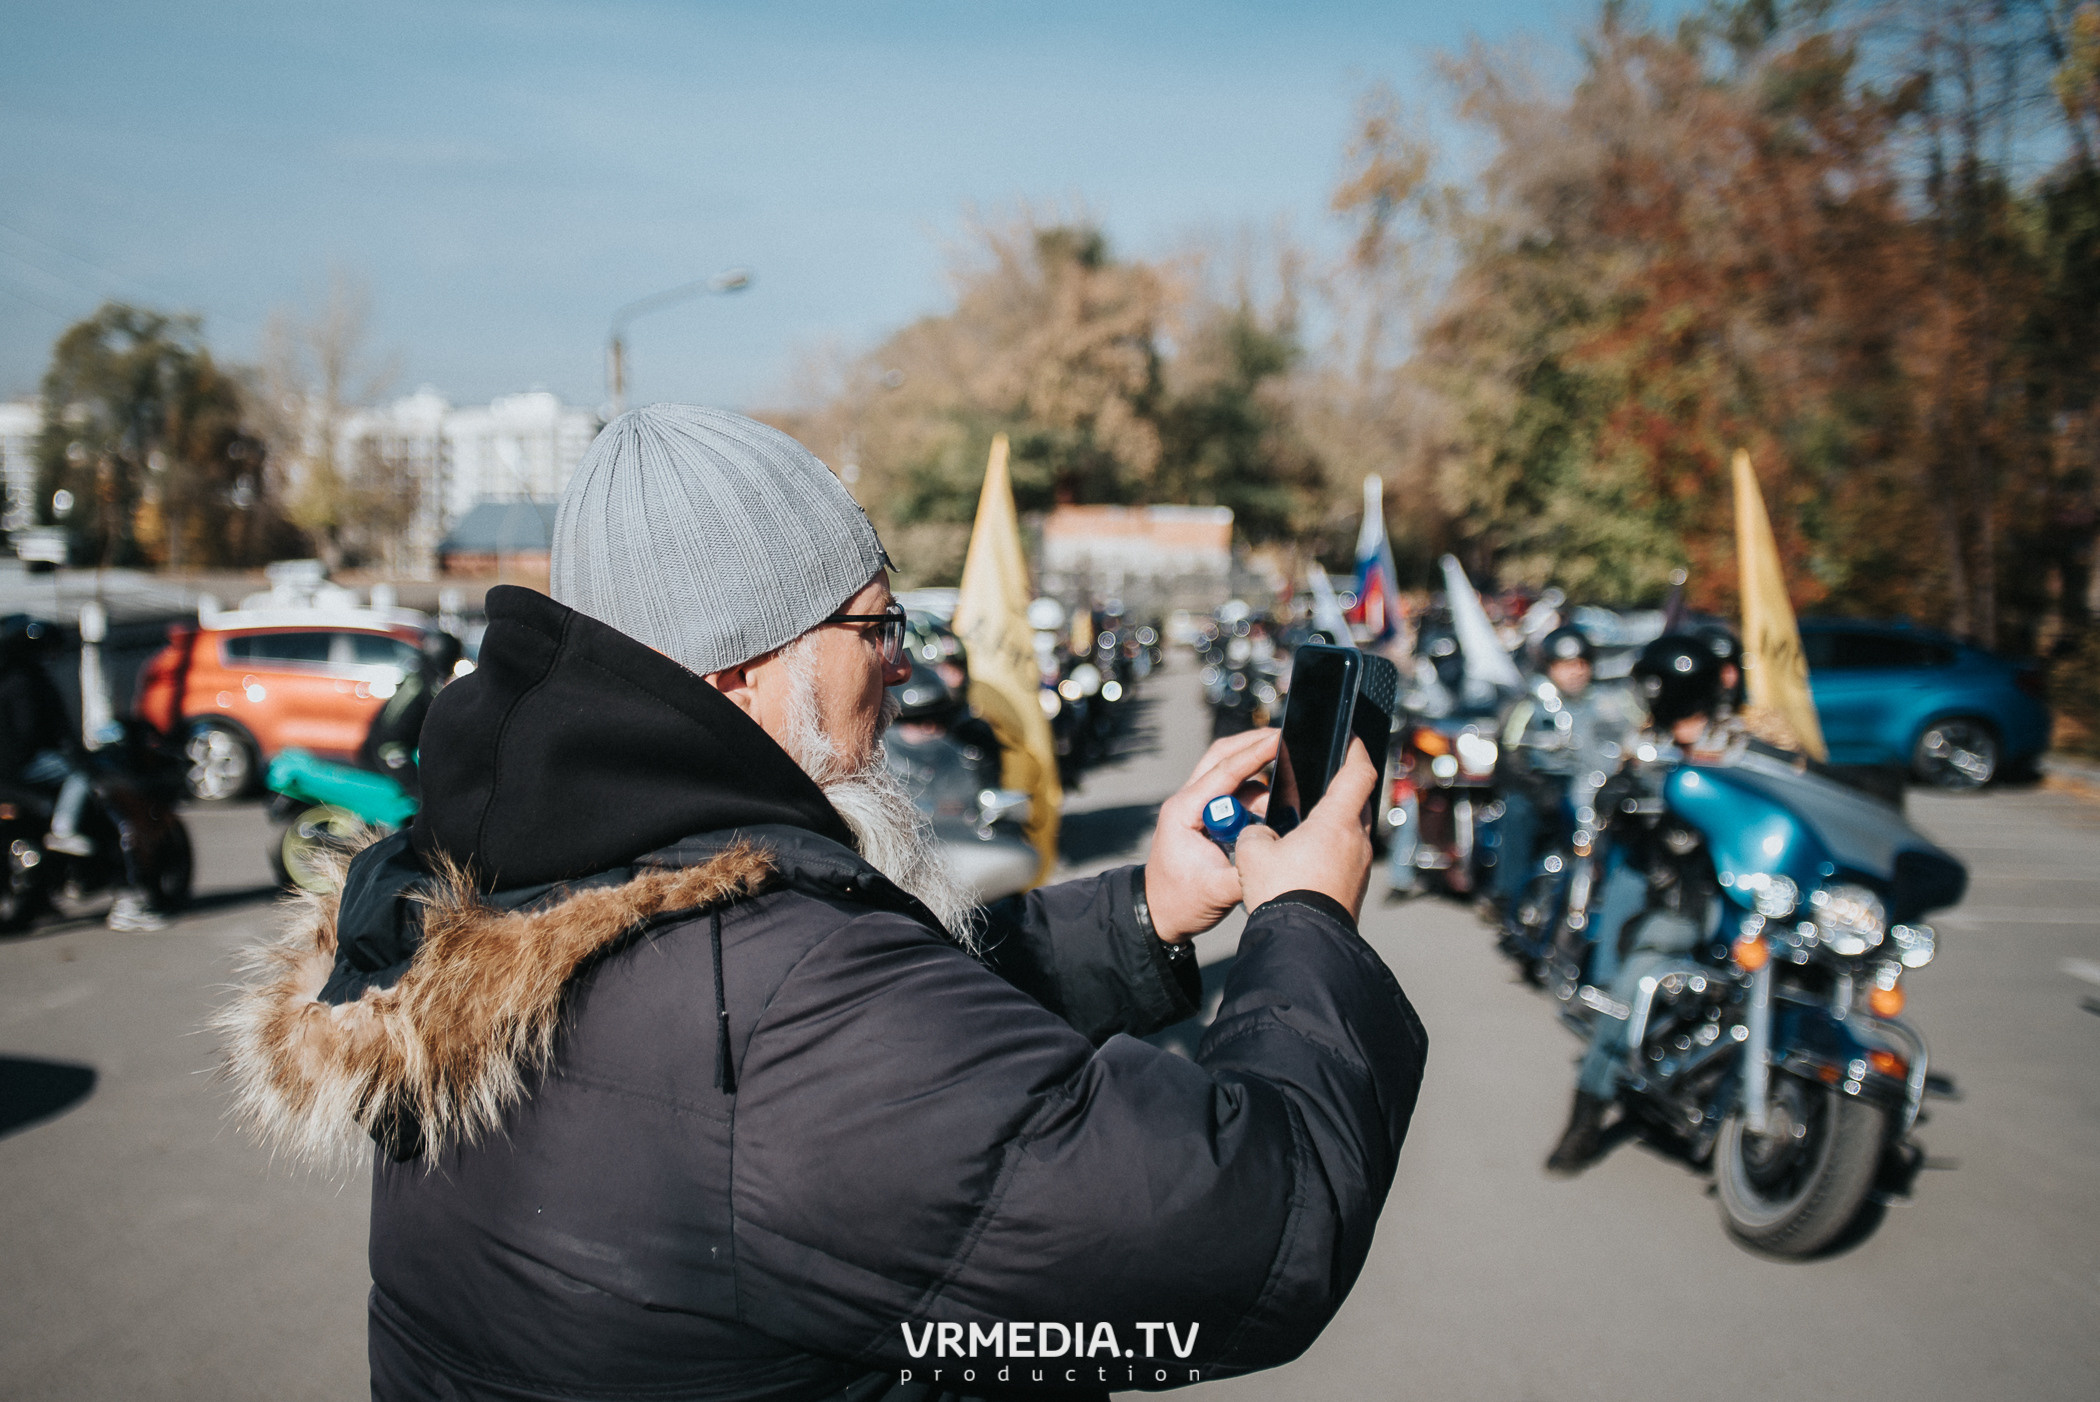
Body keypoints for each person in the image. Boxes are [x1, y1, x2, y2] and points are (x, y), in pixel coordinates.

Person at [219, 406, 1427, 1402]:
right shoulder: (784, 1000)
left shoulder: (507, 871)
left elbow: (893, 1053)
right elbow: (1262, 1227)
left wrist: (1148, 910)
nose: (903, 661)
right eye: (872, 623)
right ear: (744, 663)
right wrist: (1305, 924)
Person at [1543, 634, 1732, 1174]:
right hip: (1684, 896)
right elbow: (1613, 793)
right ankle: (1585, 1118)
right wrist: (1622, 796)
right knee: (1634, 991)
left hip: (1745, 896)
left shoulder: (1743, 742)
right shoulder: (1646, 744)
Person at [1491, 625, 1638, 929]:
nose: (1575, 672)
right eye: (1566, 665)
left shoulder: (1614, 702)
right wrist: (1540, 790)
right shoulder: (1532, 703)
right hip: (1546, 787)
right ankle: (1510, 898)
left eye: (1581, 664)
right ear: (1550, 667)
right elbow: (1509, 753)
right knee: (1518, 812)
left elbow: (1639, 738)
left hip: (1601, 789)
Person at [356, 629, 464, 801]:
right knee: (422, 795)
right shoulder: (420, 685)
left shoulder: (424, 678)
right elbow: (390, 727)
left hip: (398, 746)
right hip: (390, 748)